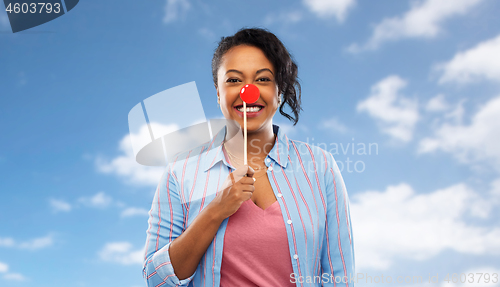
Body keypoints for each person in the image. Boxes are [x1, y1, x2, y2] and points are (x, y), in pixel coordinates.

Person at [143, 27, 355, 287]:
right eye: (233, 80)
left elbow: (339, 277)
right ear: (218, 92)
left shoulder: (320, 166)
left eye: (263, 79)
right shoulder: (180, 172)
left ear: (279, 91)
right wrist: (215, 212)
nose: (248, 92)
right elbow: (156, 280)